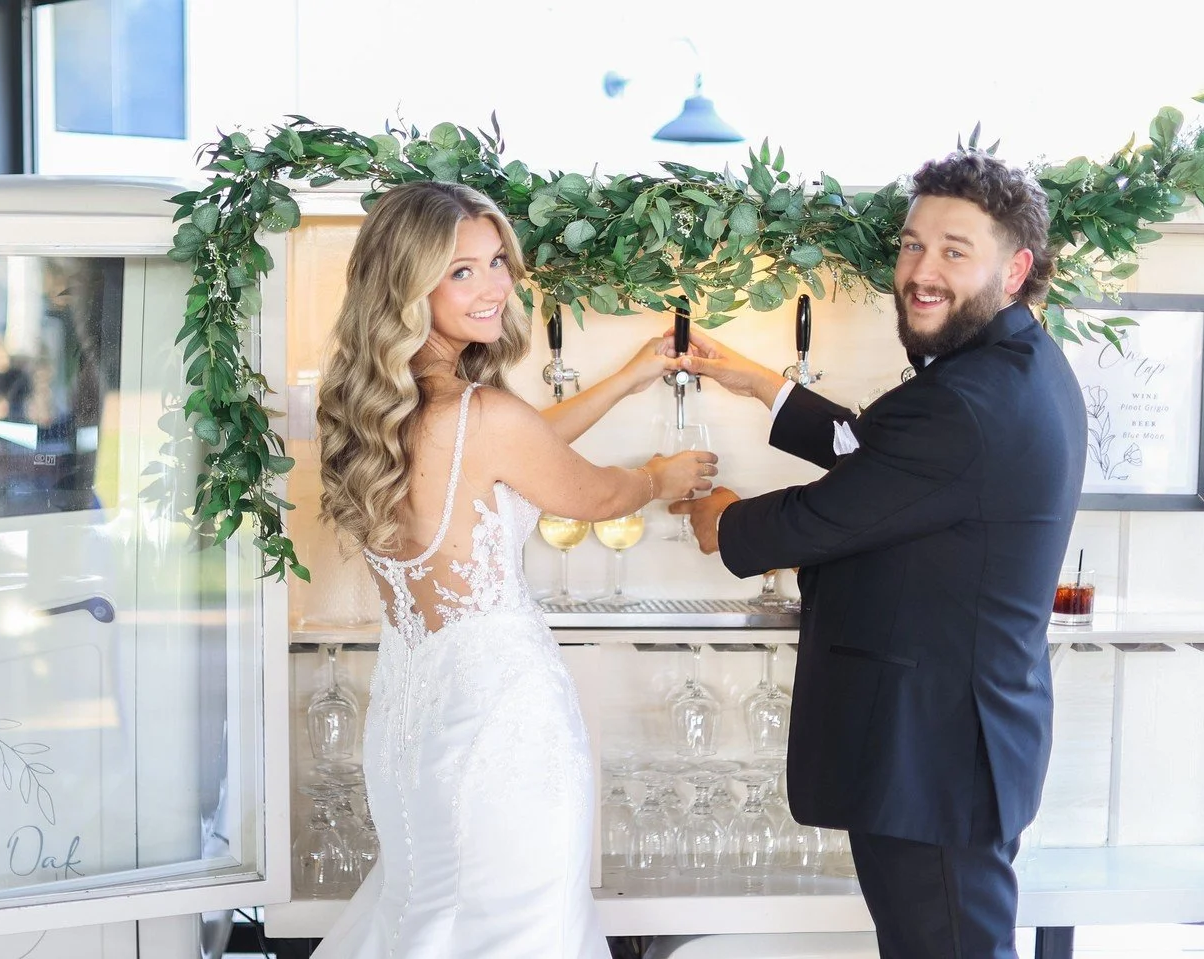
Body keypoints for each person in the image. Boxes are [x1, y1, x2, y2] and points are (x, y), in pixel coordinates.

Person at [670, 150, 1086, 958]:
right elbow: (885, 456)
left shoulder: (965, 399)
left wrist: (723, 518)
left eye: (953, 250)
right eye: (910, 245)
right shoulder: (1014, 365)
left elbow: (822, 515)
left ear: (1015, 267)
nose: (920, 271)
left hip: (934, 759)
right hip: (951, 750)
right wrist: (763, 385)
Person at [311, 180, 716, 958]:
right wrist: (658, 480)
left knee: (427, 907)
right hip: (503, 727)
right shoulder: (481, 417)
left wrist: (626, 378)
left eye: (497, 261)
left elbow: (518, 443)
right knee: (517, 924)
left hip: (411, 722)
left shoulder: (384, 412)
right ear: (406, 284)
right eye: (461, 270)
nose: (495, 285)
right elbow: (592, 491)